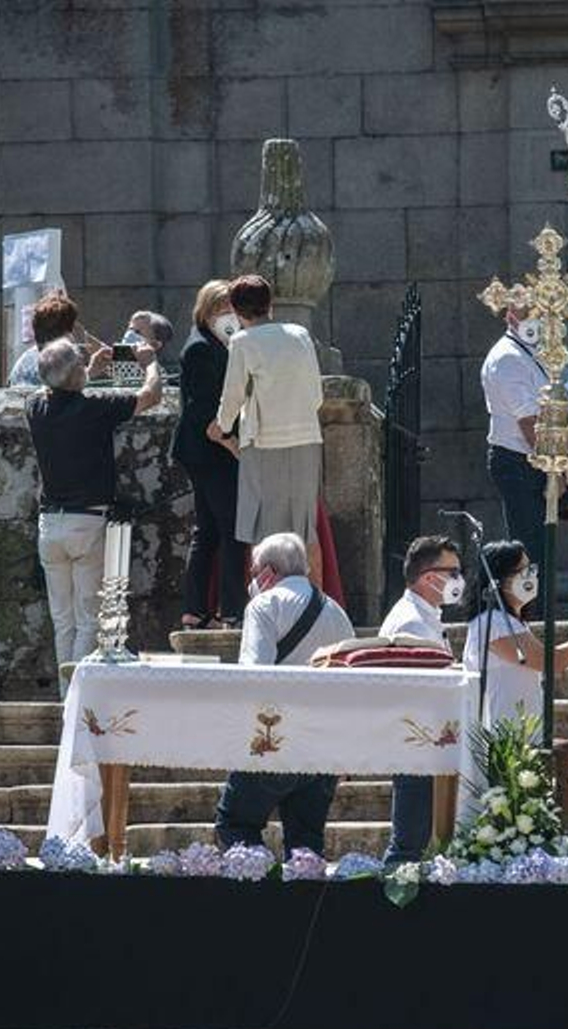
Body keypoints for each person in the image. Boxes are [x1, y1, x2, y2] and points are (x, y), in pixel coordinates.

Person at [213, 533, 354, 857]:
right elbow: (350, 686)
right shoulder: (337, 613)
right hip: (323, 747)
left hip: (274, 741)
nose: (252, 580)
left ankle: (256, 897)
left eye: (254, 572)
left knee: (235, 825)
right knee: (306, 846)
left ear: (268, 572)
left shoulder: (265, 605)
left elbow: (255, 674)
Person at [26, 337, 161, 669]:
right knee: (89, 618)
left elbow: (61, 390)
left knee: (63, 620)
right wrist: (150, 363)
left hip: (50, 523)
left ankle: (64, 699)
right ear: (74, 375)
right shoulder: (93, 408)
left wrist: (87, 371)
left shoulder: (35, 407)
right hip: (87, 520)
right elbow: (150, 396)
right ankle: (76, 696)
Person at [211, 275, 326, 577]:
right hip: (306, 438)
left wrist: (222, 427)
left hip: (263, 442)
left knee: (262, 530)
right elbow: (316, 394)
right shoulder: (300, 334)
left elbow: (232, 395)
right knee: (305, 529)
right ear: (270, 304)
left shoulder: (243, 341)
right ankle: (316, 604)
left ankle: (268, 605)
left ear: (236, 311)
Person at [480, 305, 568, 613]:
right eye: (530, 313)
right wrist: (557, 470)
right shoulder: (508, 359)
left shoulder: (529, 354)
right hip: (520, 462)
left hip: (534, 462)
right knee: (530, 552)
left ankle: (538, 616)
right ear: (511, 315)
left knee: (540, 550)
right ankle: (531, 621)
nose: (540, 320)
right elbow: (529, 423)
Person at [460, 541, 568, 727]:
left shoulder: (512, 622)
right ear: (500, 579)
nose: (530, 576)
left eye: (531, 569)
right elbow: (552, 661)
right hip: (501, 734)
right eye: (522, 571)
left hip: (523, 729)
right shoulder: (493, 622)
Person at [379, 535, 463, 865]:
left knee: (419, 841)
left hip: (428, 740)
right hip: (416, 741)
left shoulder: (424, 614)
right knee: (409, 843)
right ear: (430, 577)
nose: (459, 579)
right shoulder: (411, 620)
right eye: (453, 572)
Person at [170, 280, 244, 629]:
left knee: (211, 530)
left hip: (207, 450)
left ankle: (197, 609)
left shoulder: (218, 343)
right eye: (221, 308)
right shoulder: (201, 348)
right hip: (208, 451)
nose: (227, 314)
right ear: (207, 311)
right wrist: (229, 442)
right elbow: (201, 411)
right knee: (228, 528)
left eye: (231, 308)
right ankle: (231, 610)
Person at [10, 292, 111, 388]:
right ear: (68, 333)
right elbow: (60, 398)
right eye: (74, 325)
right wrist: (90, 373)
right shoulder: (59, 360)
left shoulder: (24, 361)